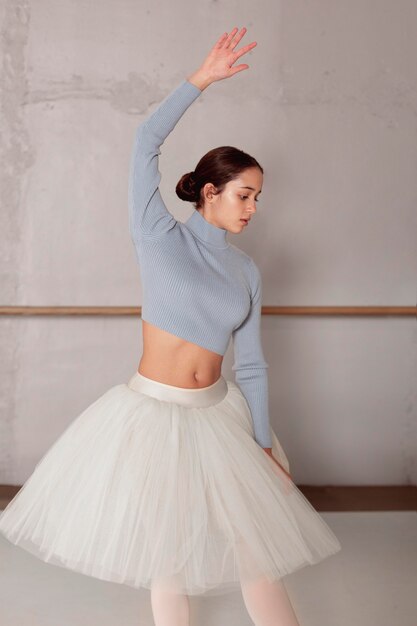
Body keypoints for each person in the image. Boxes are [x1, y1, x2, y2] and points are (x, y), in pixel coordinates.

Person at [0, 27, 341, 626]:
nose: (253, 209)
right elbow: (144, 142)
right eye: (244, 194)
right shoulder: (158, 236)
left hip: (221, 416)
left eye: (259, 197)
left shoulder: (247, 271)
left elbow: (254, 365)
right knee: (168, 557)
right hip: (153, 416)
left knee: (255, 554)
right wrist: (199, 81)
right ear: (209, 192)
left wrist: (263, 444)